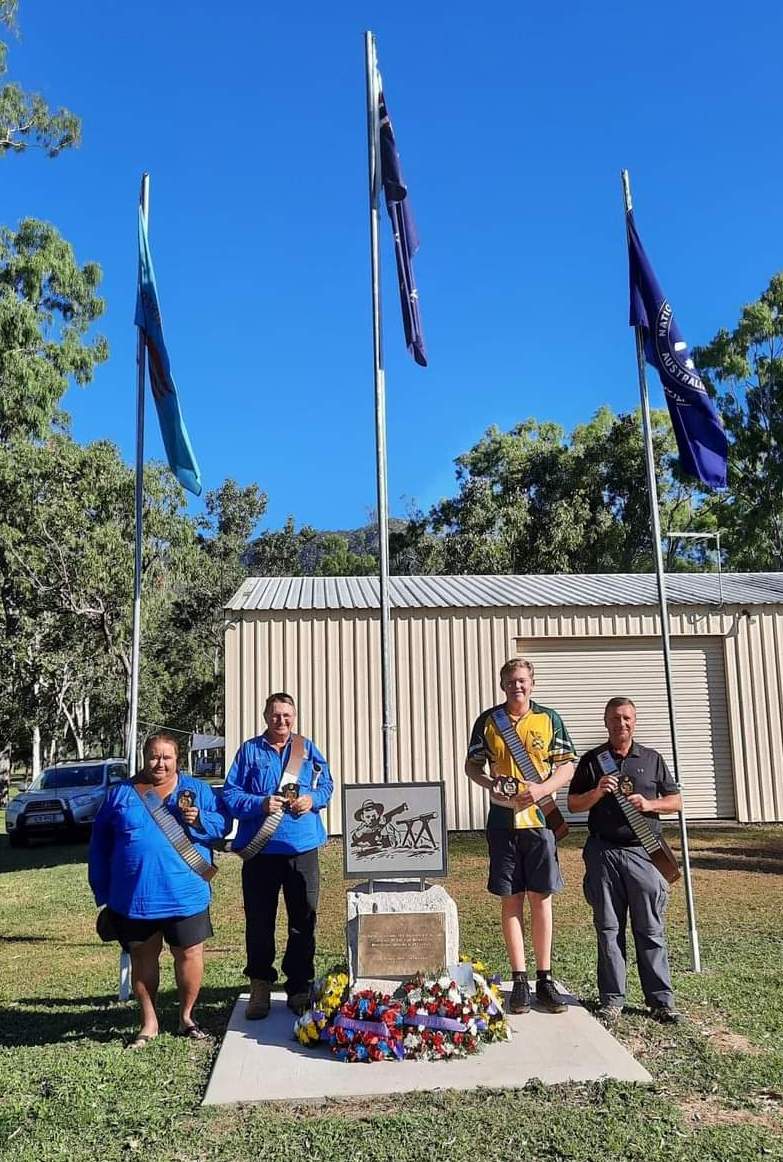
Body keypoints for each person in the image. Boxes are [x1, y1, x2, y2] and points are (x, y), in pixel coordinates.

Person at [88, 731, 228, 1049]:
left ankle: (187, 1018)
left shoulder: (198, 791)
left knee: (190, 955)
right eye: (154, 755)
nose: (160, 762)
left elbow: (223, 826)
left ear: (177, 759)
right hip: (135, 897)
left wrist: (200, 819)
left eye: (166, 757)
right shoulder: (120, 794)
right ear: (144, 757)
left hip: (185, 893)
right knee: (143, 957)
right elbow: (100, 845)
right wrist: (103, 892)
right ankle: (148, 1023)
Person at [465, 657, 576, 1015]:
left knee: (540, 899)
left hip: (540, 820)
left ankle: (545, 978)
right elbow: (472, 765)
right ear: (502, 685)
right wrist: (488, 783)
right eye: (512, 681)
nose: (518, 686)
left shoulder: (549, 719)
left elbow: (567, 765)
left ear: (533, 684)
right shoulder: (488, 721)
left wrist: (543, 787)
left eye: (523, 680)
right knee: (510, 899)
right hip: (502, 820)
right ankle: (520, 979)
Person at [567, 697, 682, 1024]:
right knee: (608, 929)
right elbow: (574, 804)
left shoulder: (651, 759)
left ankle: (661, 1001)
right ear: (606, 722)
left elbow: (677, 801)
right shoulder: (592, 761)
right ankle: (612, 1000)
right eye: (615, 719)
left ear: (635, 720)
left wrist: (649, 804)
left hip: (644, 852)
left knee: (650, 929)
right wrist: (598, 791)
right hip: (603, 853)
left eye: (627, 718)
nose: (622, 724)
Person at [222, 692, 334, 1019]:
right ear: (265, 717)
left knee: (303, 920)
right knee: (260, 921)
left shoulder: (307, 748)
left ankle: (299, 986)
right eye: (275, 715)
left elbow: (326, 784)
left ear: (294, 717)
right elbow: (230, 794)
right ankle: (260, 985)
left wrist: (312, 800)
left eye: (287, 715)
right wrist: (259, 804)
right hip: (261, 850)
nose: (281, 721)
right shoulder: (249, 751)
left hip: (302, 849)